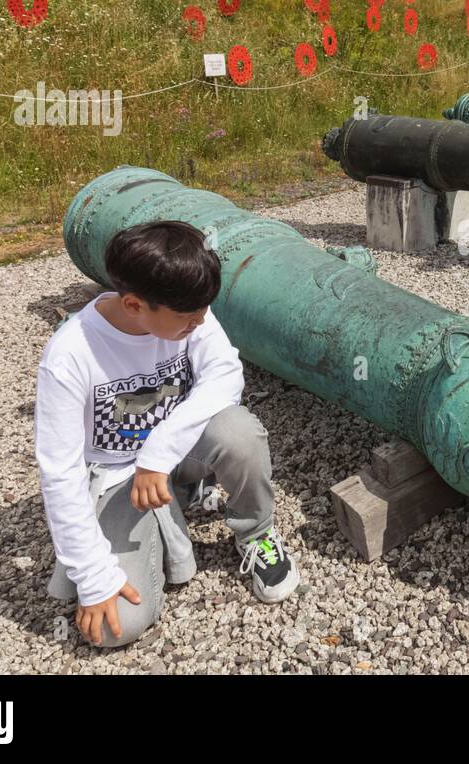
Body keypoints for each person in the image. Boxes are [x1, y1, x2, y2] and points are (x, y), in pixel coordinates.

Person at [35, 221, 299, 648]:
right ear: (136, 305)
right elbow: (59, 474)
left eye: (203, 312)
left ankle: (256, 531)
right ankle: (171, 506)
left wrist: (157, 454)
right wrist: (93, 576)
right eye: (187, 318)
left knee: (238, 431)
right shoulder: (70, 357)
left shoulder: (190, 310)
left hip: (172, 455)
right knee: (109, 628)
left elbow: (225, 374)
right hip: (118, 476)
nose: (200, 323)